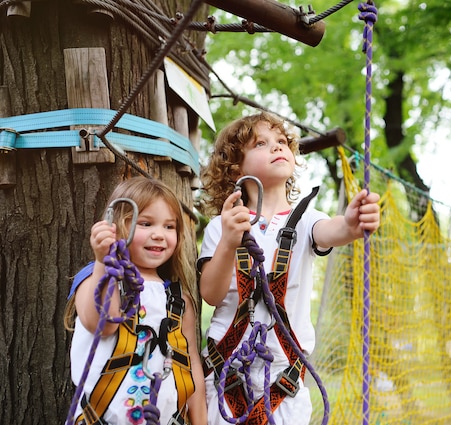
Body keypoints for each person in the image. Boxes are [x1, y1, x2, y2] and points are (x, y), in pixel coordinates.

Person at [198, 112, 381, 425]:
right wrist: (229, 241)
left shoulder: (308, 218)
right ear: (236, 166)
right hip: (226, 378)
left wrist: (351, 224)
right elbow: (211, 295)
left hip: (283, 381)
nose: (276, 148)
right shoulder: (220, 227)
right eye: (261, 143)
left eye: (282, 142)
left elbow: (332, 231)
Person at [65, 177, 207, 425]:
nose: (159, 235)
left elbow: (190, 363)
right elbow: (103, 323)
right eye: (146, 223)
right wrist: (103, 263)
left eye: (169, 227)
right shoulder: (95, 278)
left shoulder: (177, 300)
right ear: (116, 227)